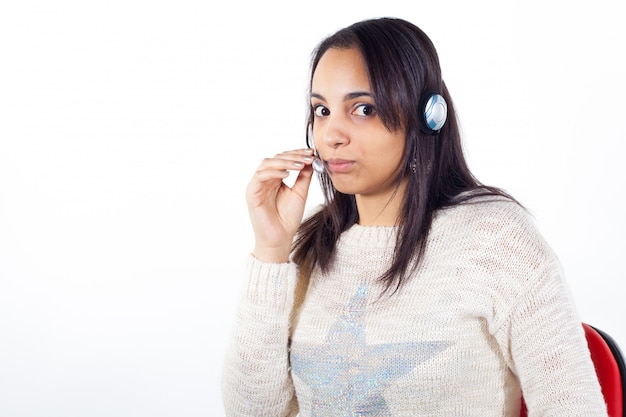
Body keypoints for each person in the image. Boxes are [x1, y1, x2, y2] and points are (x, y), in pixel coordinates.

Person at [221, 17, 608, 416]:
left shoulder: (495, 239)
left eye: (363, 109)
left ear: (429, 116)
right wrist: (271, 249)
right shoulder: (312, 242)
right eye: (321, 110)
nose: (331, 134)